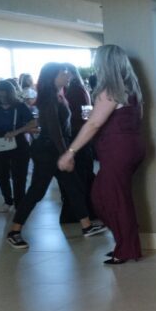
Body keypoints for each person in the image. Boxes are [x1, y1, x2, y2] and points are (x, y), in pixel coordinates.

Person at [56, 45, 146, 264]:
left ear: (104, 64)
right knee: (111, 197)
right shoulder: (131, 88)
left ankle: (126, 248)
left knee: (111, 199)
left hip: (118, 149)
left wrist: (70, 152)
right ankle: (126, 245)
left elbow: (94, 124)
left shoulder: (111, 90)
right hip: (130, 147)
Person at [6, 64, 106, 249]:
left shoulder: (58, 95)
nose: (68, 75)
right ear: (53, 77)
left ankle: (86, 226)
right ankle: (14, 231)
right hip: (48, 151)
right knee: (37, 191)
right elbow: (54, 130)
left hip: (54, 148)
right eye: (63, 73)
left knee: (73, 187)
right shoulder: (49, 98)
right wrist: (66, 154)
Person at [59, 64, 95, 223]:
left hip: (77, 136)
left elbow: (79, 116)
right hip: (81, 136)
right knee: (83, 174)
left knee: (79, 176)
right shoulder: (79, 89)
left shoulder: (74, 91)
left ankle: (80, 212)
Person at [0, 80, 35, 212]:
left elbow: (33, 122)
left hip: (19, 143)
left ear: (10, 94)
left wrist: (16, 131)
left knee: (19, 175)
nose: (2, 98)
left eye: (4, 95)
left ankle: (19, 202)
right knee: (1, 174)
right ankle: (8, 200)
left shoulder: (19, 106)